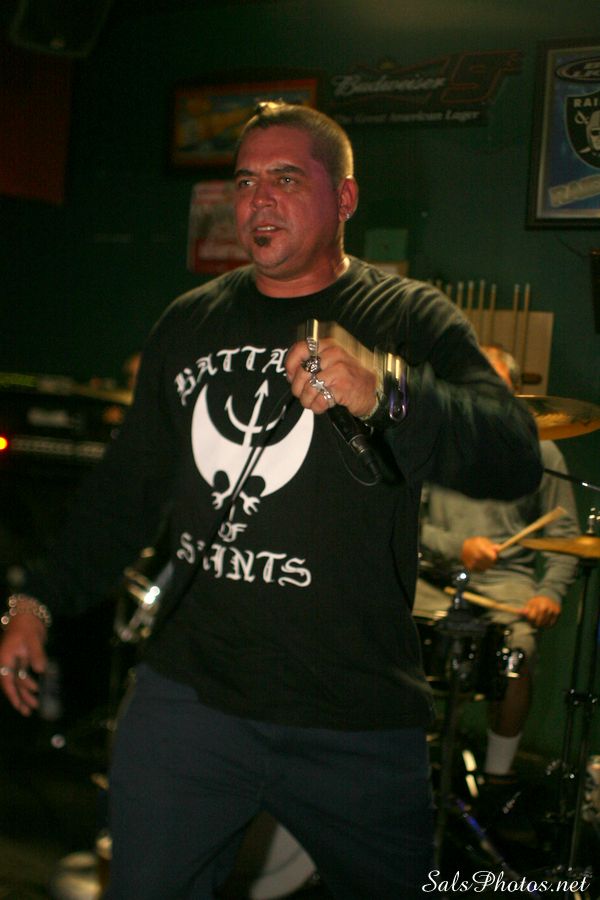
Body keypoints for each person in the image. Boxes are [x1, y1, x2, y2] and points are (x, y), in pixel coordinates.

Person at [0, 102, 543, 899]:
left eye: (286, 179)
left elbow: (514, 453)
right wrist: (39, 599)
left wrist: (386, 393)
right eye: (246, 181)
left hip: (354, 715)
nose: (258, 199)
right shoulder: (189, 323)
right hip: (192, 701)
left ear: (345, 199)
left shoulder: (407, 317)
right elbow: (124, 492)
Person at [417, 344, 579, 833]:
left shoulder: (541, 451)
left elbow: (566, 537)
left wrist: (549, 593)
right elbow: (405, 525)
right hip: (435, 578)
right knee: (390, 637)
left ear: (514, 394)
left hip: (507, 585)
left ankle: (497, 779)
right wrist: (458, 546)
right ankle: (400, 767)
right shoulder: (431, 442)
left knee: (517, 654)